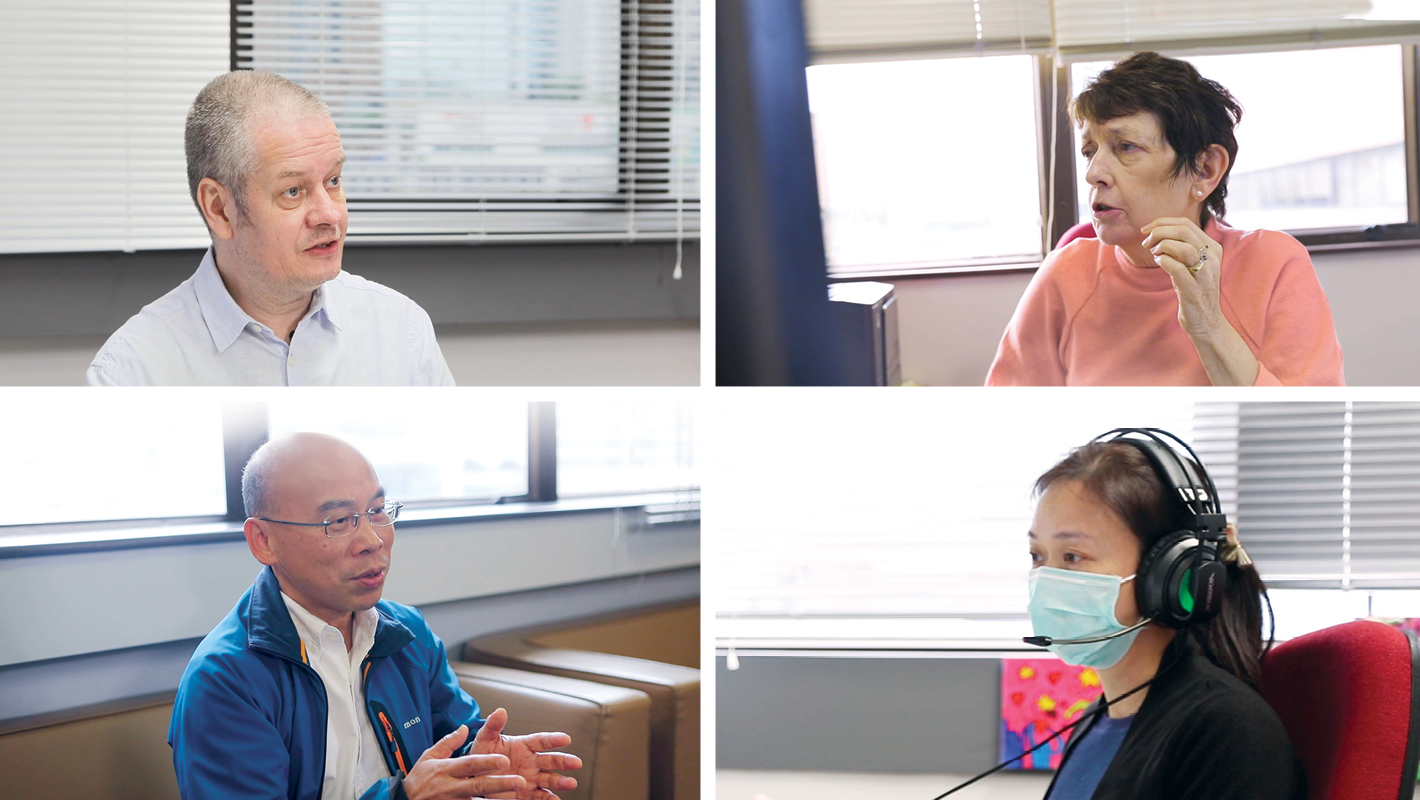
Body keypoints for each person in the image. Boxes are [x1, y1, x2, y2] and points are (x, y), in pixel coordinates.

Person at [169, 432, 579, 799]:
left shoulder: (407, 633)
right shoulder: (224, 680)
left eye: (379, 510)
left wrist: (483, 766)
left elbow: (456, 737)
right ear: (264, 541)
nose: (372, 539)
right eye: (338, 521)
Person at [987, 52, 1344, 386]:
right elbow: (1004, 420)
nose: (1094, 173)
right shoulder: (1065, 274)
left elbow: (1310, 431)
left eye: (1126, 146)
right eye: (1089, 151)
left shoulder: (1273, 265)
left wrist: (1207, 323)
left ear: (1205, 170)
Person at [87, 71, 456, 386]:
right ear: (220, 209)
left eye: (333, 180)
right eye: (292, 191)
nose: (331, 215)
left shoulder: (401, 330)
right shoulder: (132, 374)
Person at [1026, 431, 1304, 799]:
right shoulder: (1095, 720)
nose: (1048, 578)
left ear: (1171, 573)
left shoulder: (1224, 727)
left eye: (1073, 556)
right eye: (1037, 556)